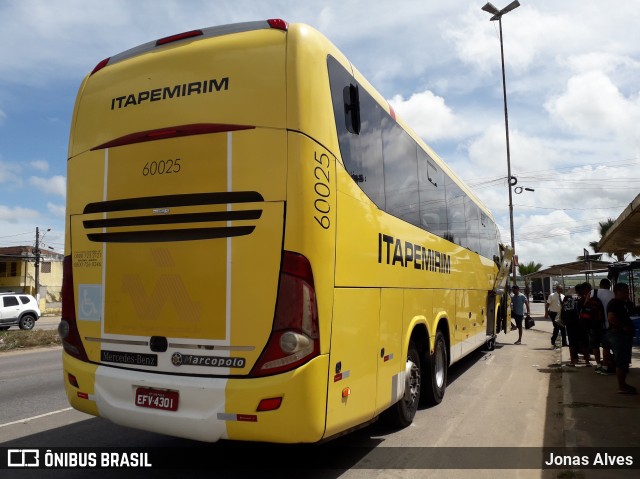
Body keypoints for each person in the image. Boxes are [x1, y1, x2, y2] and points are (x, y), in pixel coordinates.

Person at [606, 283, 637, 394]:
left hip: (623, 336)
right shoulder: (614, 304)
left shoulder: (624, 303)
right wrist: (623, 327)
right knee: (621, 362)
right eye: (624, 292)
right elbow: (611, 318)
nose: (626, 293)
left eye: (627, 291)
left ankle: (623, 384)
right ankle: (622, 386)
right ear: (617, 292)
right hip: (619, 335)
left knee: (624, 361)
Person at [589, 278, 615, 375]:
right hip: (608, 324)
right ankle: (605, 366)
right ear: (609, 285)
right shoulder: (612, 294)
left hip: (595, 324)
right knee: (606, 346)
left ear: (600, 285)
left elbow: (586, 305)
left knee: (595, 345)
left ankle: (598, 365)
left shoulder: (593, 292)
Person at [563, 284, 590, 367]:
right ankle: (587, 362)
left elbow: (564, 309)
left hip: (571, 323)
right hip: (582, 323)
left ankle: (572, 361)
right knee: (585, 342)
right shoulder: (585, 298)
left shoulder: (568, 297)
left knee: (572, 342)